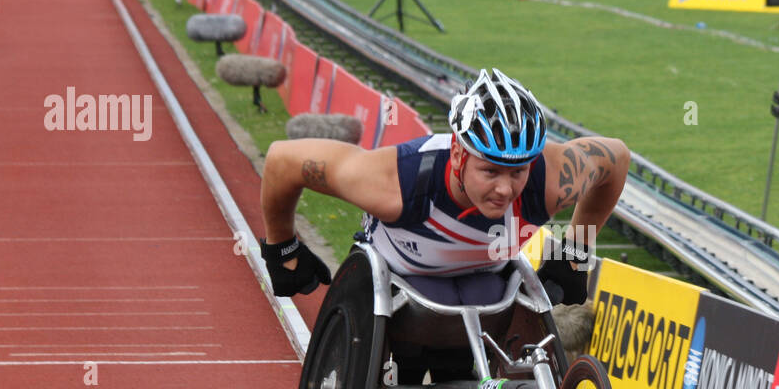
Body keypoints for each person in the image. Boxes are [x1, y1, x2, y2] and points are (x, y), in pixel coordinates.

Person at [258, 68, 630, 313]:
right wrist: (281, 248)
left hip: (485, 288)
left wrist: (576, 251)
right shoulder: (392, 182)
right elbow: (281, 161)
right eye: (490, 170)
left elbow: (616, 158)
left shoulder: (549, 181)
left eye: (518, 171)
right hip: (395, 284)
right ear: (457, 153)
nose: (505, 188)